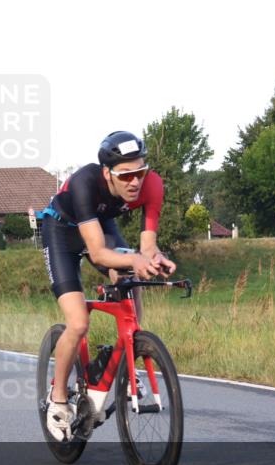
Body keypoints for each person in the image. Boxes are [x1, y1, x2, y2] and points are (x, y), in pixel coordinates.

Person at [39, 131, 176, 441]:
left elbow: (147, 245)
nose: (135, 182)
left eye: (140, 172)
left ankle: (131, 351)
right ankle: (57, 397)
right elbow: (98, 253)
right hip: (62, 232)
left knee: (131, 277)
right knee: (78, 322)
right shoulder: (85, 182)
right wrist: (135, 259)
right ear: (107, 173)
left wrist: (155, 259)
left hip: (102, 228)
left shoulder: (152, 185)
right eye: (126, 175)